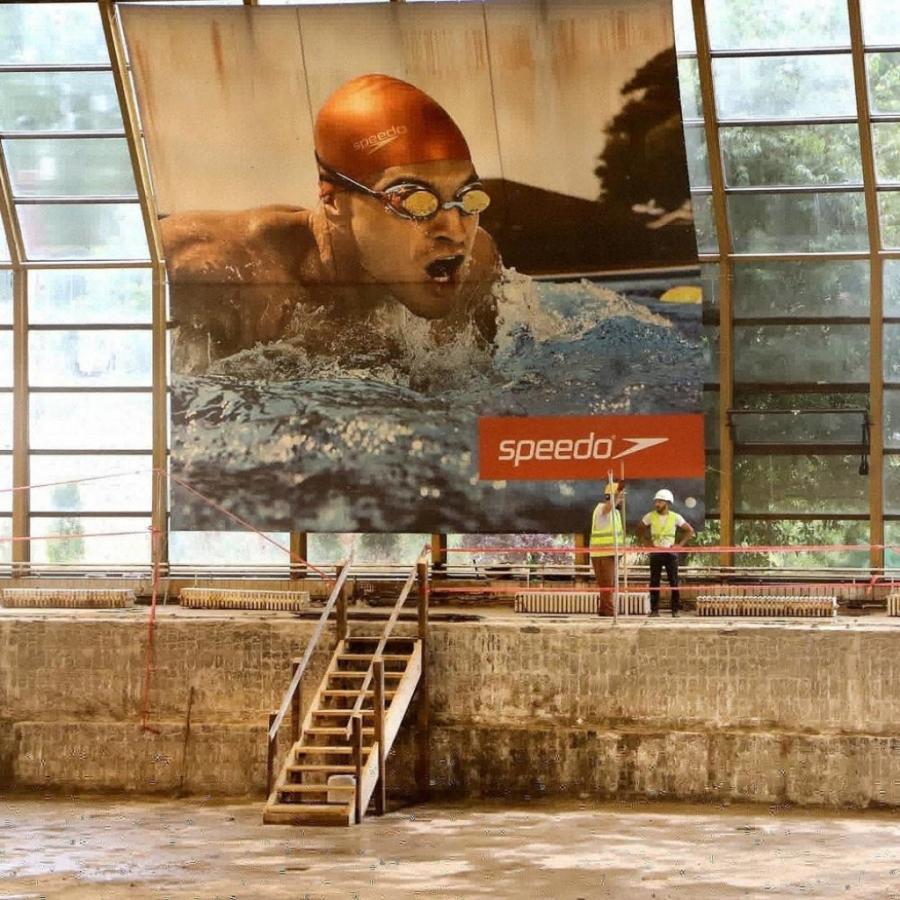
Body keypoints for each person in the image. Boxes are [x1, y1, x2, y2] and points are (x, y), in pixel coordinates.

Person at [160, 73, 502, 375]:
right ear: (334, 201)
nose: (454, 232)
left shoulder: (477, 264)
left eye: (467, 198)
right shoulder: (219, 271)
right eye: (414, 201)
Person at [636, 488, 694, 617]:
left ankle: (675, 610)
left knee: (674, 581)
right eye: (656, 501)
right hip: (656, 552)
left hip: (670, 553)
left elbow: (690, 530)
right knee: (654, 581)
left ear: (667, 503)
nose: (657, 504)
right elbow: (639, 529)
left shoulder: (675, 517)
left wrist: (679, 545)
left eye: (660, 501)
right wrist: (646, 543)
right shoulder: (650, 516)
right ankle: (654, 610)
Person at [589, 480, 626, 617]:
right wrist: (617, 492)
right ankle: (609, 610)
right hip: (602, 554)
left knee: (608, 583)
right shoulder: (601, 509)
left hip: (611, 554)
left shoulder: (615, 513)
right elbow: (608, 507)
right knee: (607, 583)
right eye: (620, 496)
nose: (622, 499)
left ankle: (604, 609)